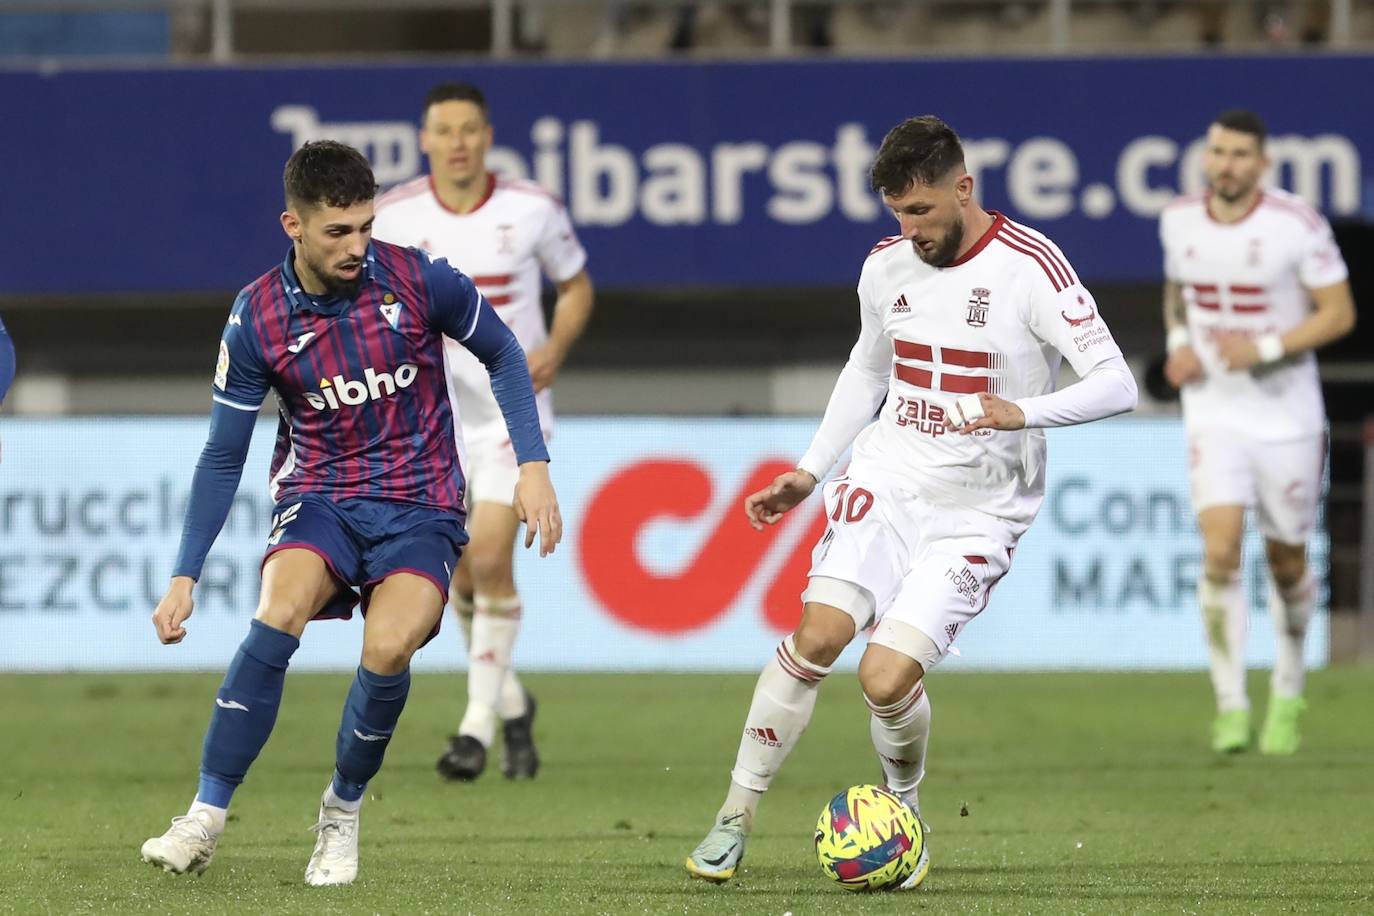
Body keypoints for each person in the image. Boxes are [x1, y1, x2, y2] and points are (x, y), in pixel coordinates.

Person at [684, 115, 1137, 886]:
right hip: (887, 478)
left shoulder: (1032, 267)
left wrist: (1021, 411)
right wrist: (811, 470)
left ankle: (906, 814)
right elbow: (867, 370)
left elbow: (1116, 383)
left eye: (922, 210)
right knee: (819, 635)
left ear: (964, 188)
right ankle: (734, 816)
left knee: (885, 679)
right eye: (898, 213)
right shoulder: (887, 266)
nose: (910, 228)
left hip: (980, 509)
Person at [139, 140, 562, 886]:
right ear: (292, 226)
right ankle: (204, 815)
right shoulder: (256, 319)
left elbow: (504, 353)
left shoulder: (417, 278)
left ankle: (341, 812)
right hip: (320, 497)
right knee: (278, 612)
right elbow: (221, 455)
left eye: (366, 226)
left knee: (389, 649)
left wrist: (532, 465)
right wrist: (184, 575)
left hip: (422, 504)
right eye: (338, 231)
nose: (357, 246)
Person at [373, 81, 593, 783]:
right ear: (426, 139)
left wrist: (555, 346)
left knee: (492, 556)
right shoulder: (396, 215)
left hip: (509, 412)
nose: (459, 142)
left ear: (487, 136)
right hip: (434, 419)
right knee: (463, 572)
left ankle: (472, 730)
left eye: (470, 129)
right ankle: (513, 704)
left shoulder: (533, 208)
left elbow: (577, 285)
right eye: (446, 130)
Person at [1159, 109, 1354, 756]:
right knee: (1218, 551)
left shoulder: (1296, 225)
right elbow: (1177, 291)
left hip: (1287, 415)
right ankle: (1231, 705)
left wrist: (1266, 345)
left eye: (1241, 154)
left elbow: (1339, 313)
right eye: (1218, 152)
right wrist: (1181, 341)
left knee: (1286, 558)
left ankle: (1291, 685)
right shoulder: (1179, 218)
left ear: (1262, 164)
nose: (1227, 164)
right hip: (1214, 407)